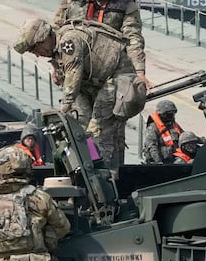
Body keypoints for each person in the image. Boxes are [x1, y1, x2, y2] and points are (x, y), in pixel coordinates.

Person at [15, 16, 141, 164]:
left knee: (97, 131)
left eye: (35, 48)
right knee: (80, 126)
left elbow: (73, 78)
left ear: (44, 39)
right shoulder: (58, 46)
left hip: (119, 79)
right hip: (97, 84)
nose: (37, 54)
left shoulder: (69, 41)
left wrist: (63, 110)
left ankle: (103, 171)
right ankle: (89, 163)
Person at [51, 0, 148, 92]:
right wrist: (56, 68)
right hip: (76, 72)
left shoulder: (126, 5)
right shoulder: (71, 1)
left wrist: (139, 72)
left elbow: (133, 39)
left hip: (110, 75)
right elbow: (56, 36)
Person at [142, 100, 183, 164]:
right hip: (160, 162)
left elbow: (184, 136)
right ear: (162, 114)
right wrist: (158, 162)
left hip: (174, 159)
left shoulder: (174, 125)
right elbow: (152, 147)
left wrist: (198, 140)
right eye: (169, 114)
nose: (172, 116)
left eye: (173, 113)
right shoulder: (153, 128)